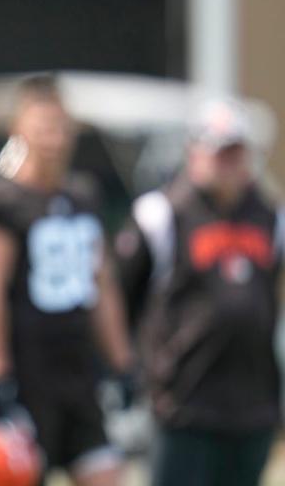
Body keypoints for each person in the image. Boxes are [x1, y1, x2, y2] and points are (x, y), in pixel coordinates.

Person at [0, 75, 133, 486]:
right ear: (19, 129)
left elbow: (102, 285)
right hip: (24, 374)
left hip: (78, 371)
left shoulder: (82, 196)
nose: (53, 138)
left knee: (107, 472)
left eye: (60, 126)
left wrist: (123, 364)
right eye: (43, 127)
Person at [114, 98, 282, 486]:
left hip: (253, 407)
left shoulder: (270, 217)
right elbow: (120, 298)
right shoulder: (161, 214)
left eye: (236, 153)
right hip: (183, 405)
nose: (228, 163)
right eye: (220, 153)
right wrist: (129, 370)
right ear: (194, 152)